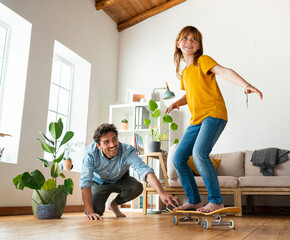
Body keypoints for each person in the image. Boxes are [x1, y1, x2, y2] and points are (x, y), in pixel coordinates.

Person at [165, 26, 263, 213]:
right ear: (178, 44)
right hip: (196, 120)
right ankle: (194, 200)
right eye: (185, 38)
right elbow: (191, 94)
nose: (189, 42)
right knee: (178, 158)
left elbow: (224, 71)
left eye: (194, 39)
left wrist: (246, 85)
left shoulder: (203, 61)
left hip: (214, 114)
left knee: (200, 153)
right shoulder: (185, 73)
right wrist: (176, 103)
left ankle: (216, 201)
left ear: (199, 45)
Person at [80, 123, 180, 220]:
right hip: (99, 182)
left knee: (137, 187)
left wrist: (162, 193)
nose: (112, 145)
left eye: (114, 139)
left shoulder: (127, 151)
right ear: (99, 146)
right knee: (95, 211)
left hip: (120, 179)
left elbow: (144, 170)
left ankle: (113, 204)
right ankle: (94, 209)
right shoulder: (91, 153)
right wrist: (90, 212)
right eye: (106, 142)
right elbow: (85, 182)